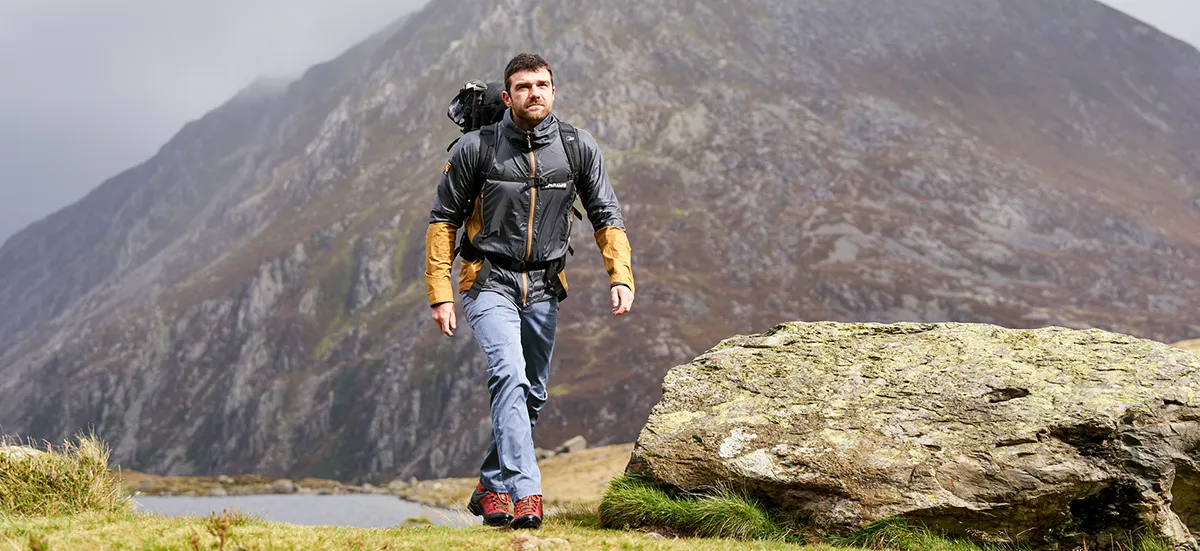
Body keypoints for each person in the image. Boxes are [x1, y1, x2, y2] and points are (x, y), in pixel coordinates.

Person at [424, 53, 635, 529]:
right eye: (523, 87)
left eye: (542, 85)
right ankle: (526, 492)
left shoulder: (577, 146)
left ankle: (490, 486)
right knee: (509, 374)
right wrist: (441, 293)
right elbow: (443, 221)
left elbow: (607, 215)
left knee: (533, 392)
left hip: (544, 284)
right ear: (507, 96)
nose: (534, 93)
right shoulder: (476, 148)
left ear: (554, 91)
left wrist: (619, 276)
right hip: (487, 279)